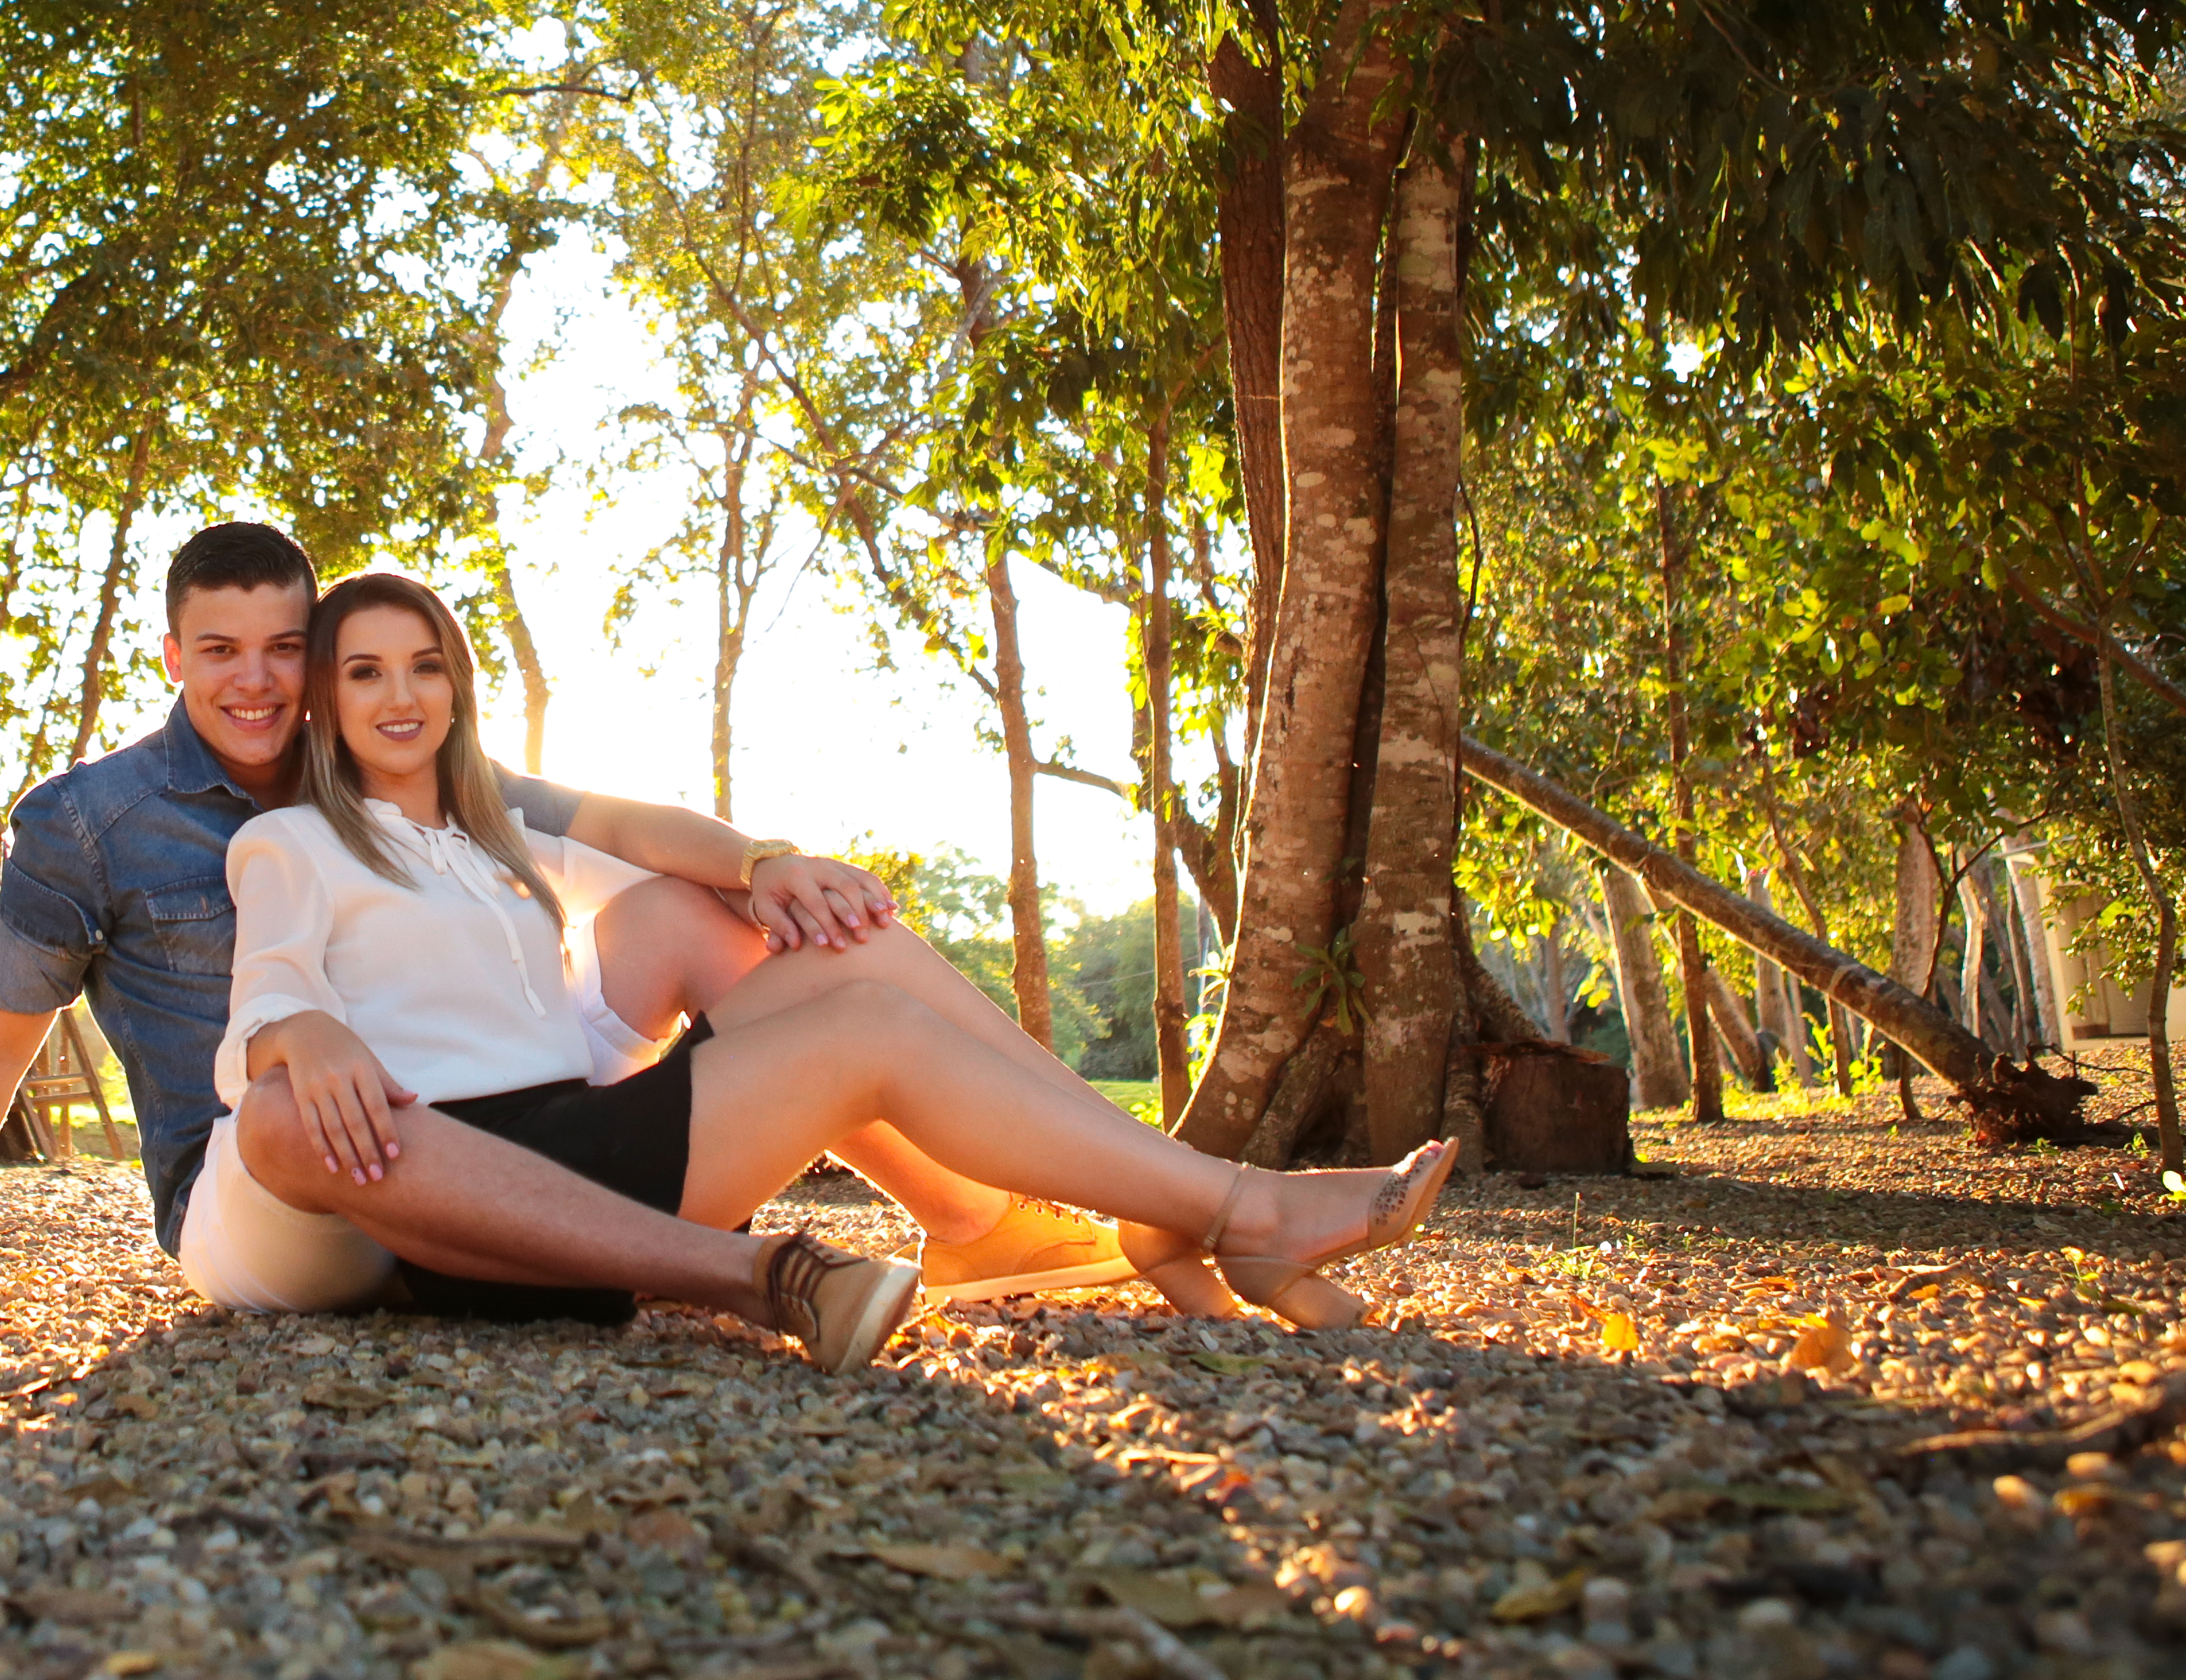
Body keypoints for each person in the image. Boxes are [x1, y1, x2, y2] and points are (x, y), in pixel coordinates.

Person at [0, 523, 1184, 1350]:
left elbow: (617, 822)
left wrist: (769, 858)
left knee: (712, 911)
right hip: (273, 1186)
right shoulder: (92, 824)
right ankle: (747, 1276)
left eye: (285, 646)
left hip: (489, 1110)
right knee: (304, 1110)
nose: (257, 679)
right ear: (172, 656)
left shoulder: (408, 780)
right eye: (219, 650)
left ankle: (1015, 1207)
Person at [195, 569, 1455, 1361]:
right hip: (483, 1187)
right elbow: (272, 991)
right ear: (323, 702)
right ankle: (1240, 1209)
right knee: (871, 1039)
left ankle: (1175, 1202)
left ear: (461, 689)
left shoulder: (497, 836)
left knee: (847, 953)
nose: (401, 695)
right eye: (364, 671)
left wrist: (768, 865)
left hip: (585, 1129)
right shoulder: (293, 839)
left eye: (426, 667)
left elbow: (642, 833)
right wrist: (295, 1037)